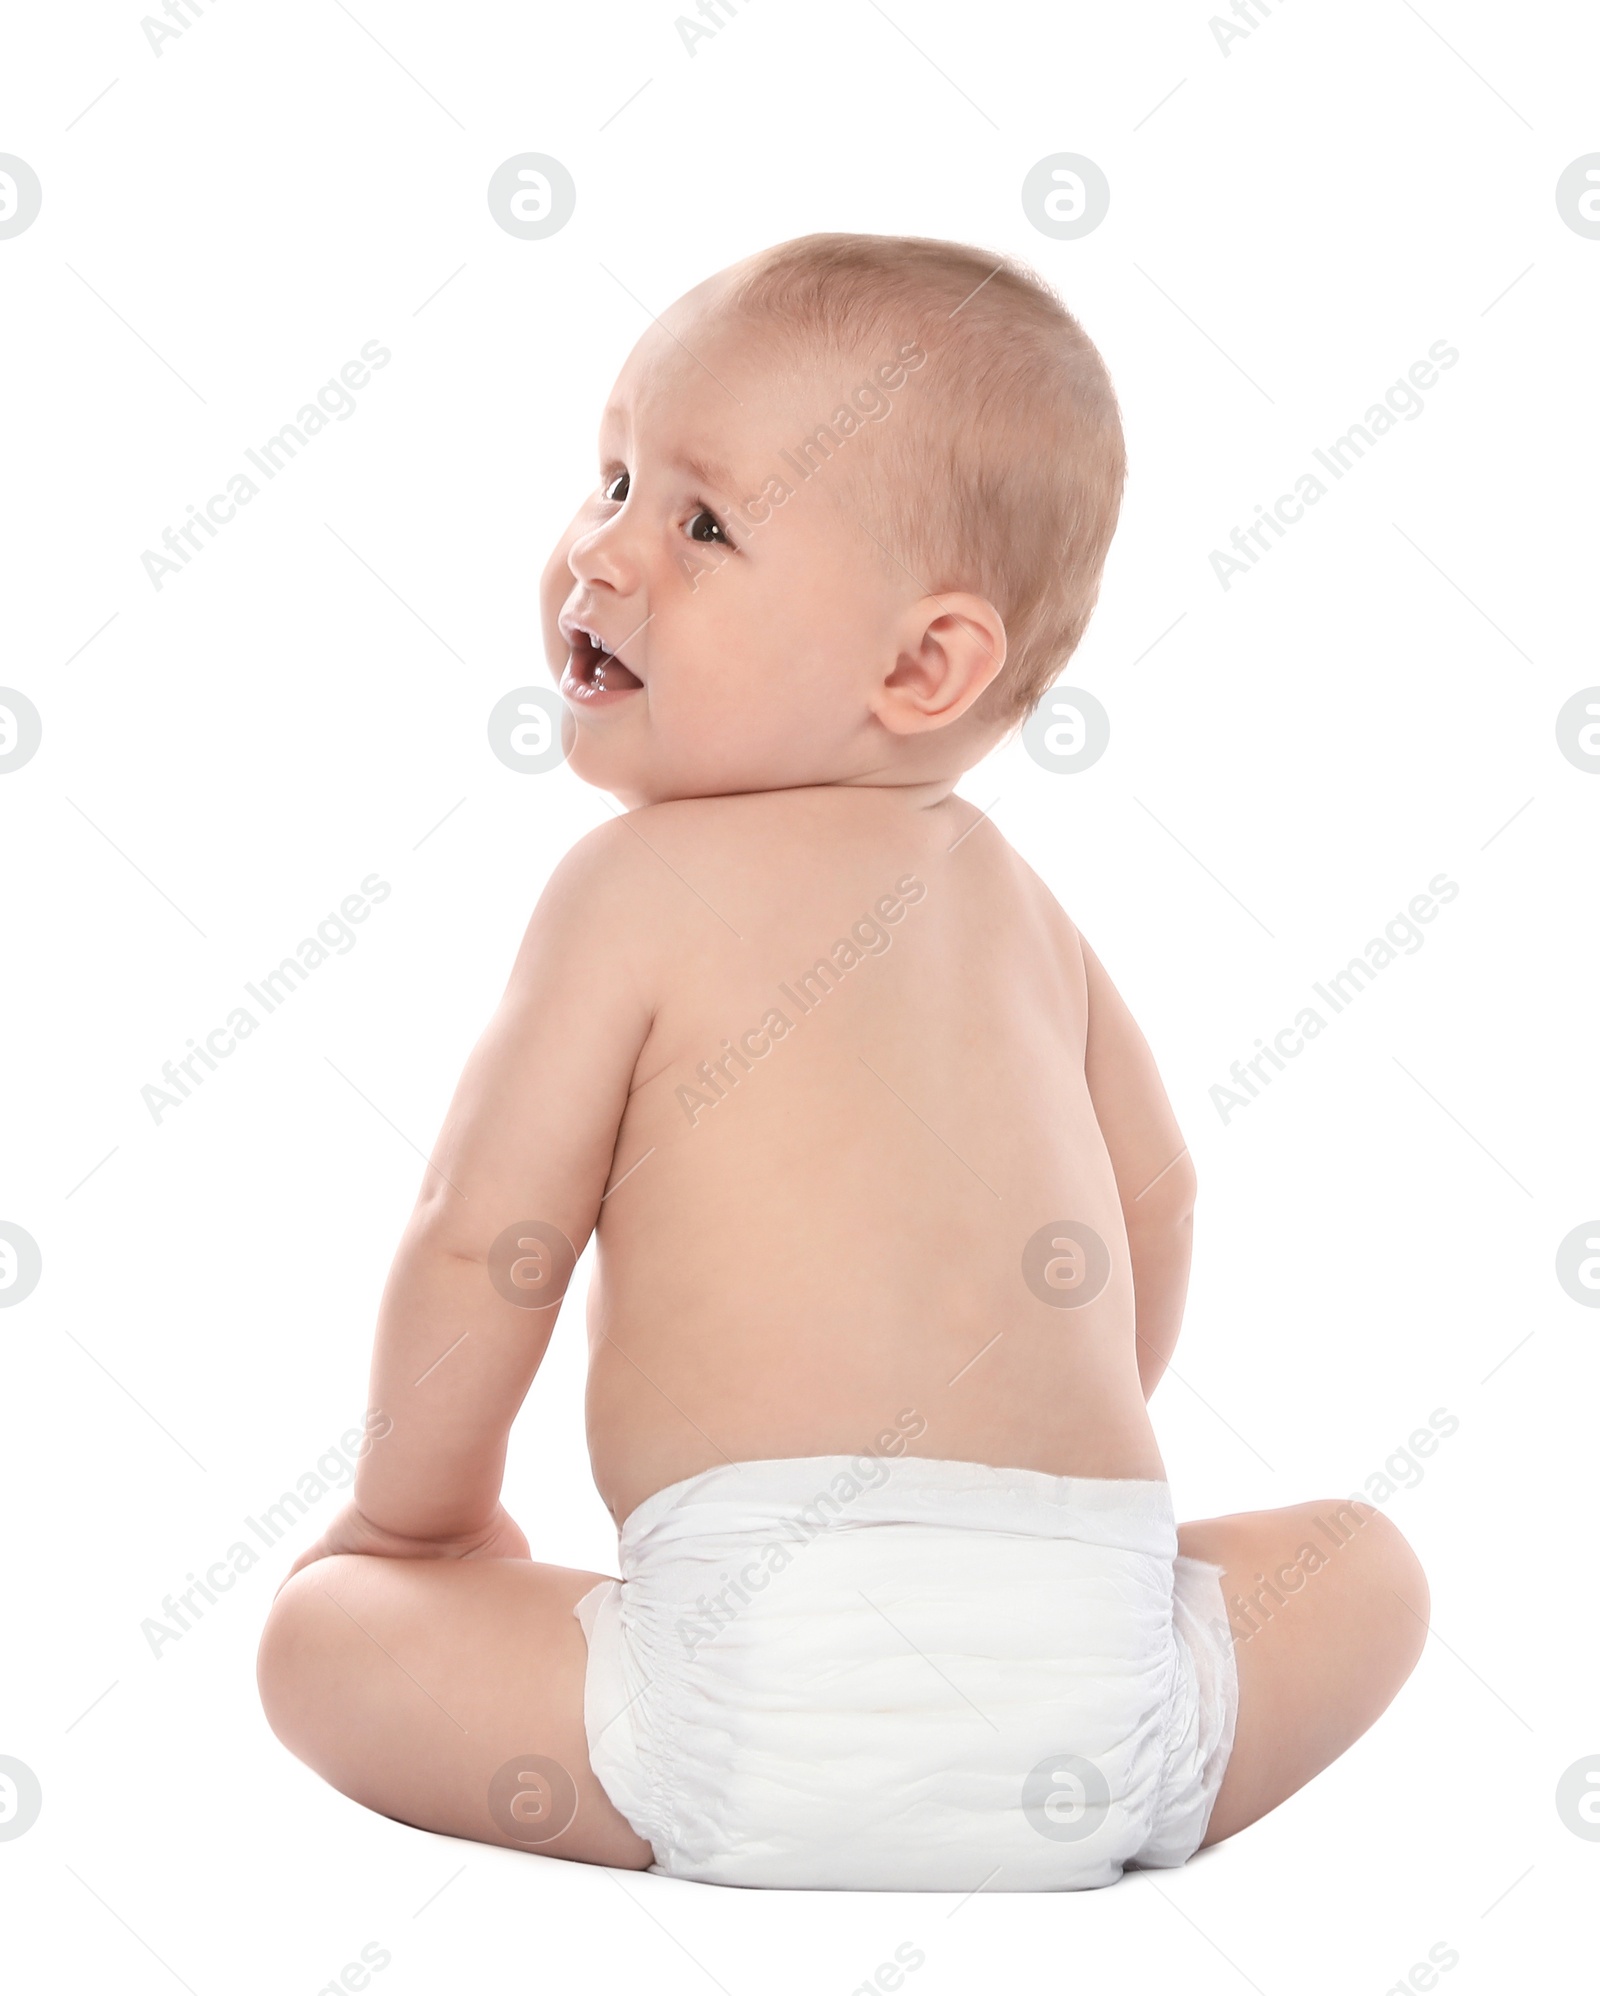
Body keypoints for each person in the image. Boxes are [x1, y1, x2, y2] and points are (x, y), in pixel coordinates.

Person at [257, 232, 1428, 1890]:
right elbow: (1153, 1204)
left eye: (701, 522)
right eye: (610, 477)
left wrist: (416, 1531)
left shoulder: (629, 890)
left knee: (321, 1641)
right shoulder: (1019, 909)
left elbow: (482, 1243)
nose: (602, 554)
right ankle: (1108, 1785)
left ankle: (425, 1623)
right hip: (1106, 1705)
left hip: (736, 1703)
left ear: (922, 667)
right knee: (1369, 1568)